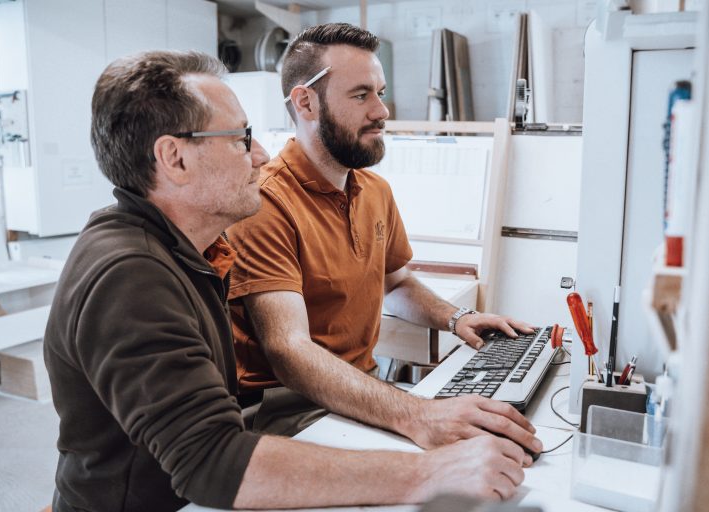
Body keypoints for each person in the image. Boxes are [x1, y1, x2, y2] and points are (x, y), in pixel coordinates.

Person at [43, 50, 529, 512]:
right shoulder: (131, 277)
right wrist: (429, 472)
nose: (259, 155)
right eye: (240, 137)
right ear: (175, 158)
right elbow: (211, 460)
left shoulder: (183, 251)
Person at [227, 23, 543, 457]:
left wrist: (457, 318)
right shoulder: (265, 202)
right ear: (306, 102)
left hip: (360, 389)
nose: (382, 110)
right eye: (361, 95)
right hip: (289, 411)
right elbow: (290, 350)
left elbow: (395, 284)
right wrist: (416, 414)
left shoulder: (373, 190)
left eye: (380, 91)